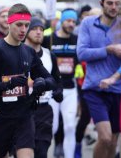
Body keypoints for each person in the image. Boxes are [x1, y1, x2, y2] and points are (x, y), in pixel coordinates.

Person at [0, 3, 56, 158]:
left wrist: (42, 84)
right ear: (9, 23)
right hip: (0, 117)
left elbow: (51, 80)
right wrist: (5, 85)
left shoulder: (28, 52)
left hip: (24, 117)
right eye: (19, 25)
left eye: (26, 25)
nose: (23, 30)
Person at [77, 0, 121, 158]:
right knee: (104, 138)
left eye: (117, 4)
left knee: (113, 141)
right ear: (101, 3)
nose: (114, 7)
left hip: (119, 90)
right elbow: (81, 53)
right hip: (95, 88)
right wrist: (109, 49)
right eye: (110, 3)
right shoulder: (88, 23)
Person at [42, 9, 79, 158]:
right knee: (53, 127)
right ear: (61, 21)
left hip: (70, 88)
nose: (71, 24)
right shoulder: (49, 39)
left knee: (70, 126)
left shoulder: (77, 39)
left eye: (74, 22)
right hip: (52, 89)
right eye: (68, 21)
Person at [24, 17, 63, 158]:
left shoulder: (49, 55)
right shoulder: (18, 53)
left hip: (44, 109)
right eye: (34, 29)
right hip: (23, 109)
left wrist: (58, 91)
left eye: (41, 29)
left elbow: (57, 79)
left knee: (41, 152)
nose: (39, 32)